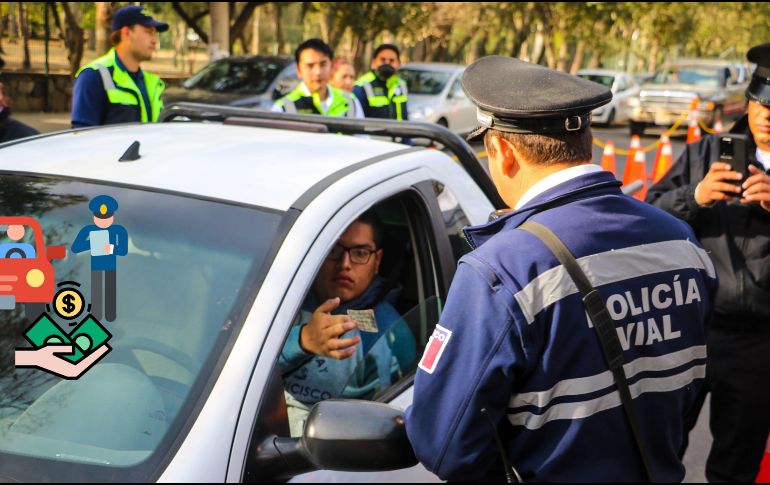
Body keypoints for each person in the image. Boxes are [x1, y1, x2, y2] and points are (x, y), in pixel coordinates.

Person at [405, 56, 718, 482]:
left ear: (501, 151)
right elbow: (690, 385)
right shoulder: (682, 241)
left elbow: (442, 445)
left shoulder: (501, 269)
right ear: (587, 140)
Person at [646, 42, 770, 483]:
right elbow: (650, 212)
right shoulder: (706, 152)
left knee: (735, 464)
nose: (767, 116)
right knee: (658, 448)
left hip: (759, 343)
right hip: (690, 328)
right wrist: (694, 197)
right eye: (760, 103)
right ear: (749, 102)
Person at [278, 210, 413, 436]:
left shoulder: (391, 334)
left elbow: (380, 426)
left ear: (377, 260)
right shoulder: (280, 303)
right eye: (334, 250)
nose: (345, 263)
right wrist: (302, 341)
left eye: (360, 253)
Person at [71, 5, 168, 128]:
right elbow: (82, 138)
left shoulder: (153, 82)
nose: (154, 40)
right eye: (148, 32)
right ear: (126, 33)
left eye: (155, 34)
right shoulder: (93, 76)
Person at [71, 195, 129, 323]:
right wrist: (92, 243)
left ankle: (110, 315)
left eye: (106, 218)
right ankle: (96, 316)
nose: (103, 222)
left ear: (112, 217)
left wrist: (111, 248)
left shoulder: (119, 230)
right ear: (94, 217)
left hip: (111, 266)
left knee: (110, 291)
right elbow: (75, 248)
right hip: (95, 266)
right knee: (96, 291)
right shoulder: (88, 230)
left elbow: (123, 251)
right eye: (99, 218)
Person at [272, 39, 362, 118]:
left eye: (323, 64)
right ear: (299, 70)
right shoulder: (283, 108)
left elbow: (361, 137)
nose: (318, 72)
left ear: (331, 67)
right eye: (310, 66)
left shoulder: (350, 102)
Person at [353, 44, 409, 120]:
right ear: (373, 62)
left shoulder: (401, 85)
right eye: (383, 60)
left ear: (398, 64)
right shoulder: (362, 86)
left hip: (399, 131)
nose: (387, 63)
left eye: (391, 60)